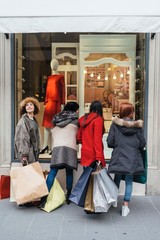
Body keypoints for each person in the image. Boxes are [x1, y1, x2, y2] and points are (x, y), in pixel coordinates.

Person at [107, 103, 146, 217]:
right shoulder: (138, 126)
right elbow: (142, 143)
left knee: (117, 178)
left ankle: (114, 200)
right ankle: (125, 206)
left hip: (119, 156)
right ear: (131, 113)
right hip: (132, 157)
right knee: (129, 181)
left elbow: (110, 142)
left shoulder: (115, 125)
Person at [40, 101, 79, 207]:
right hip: (70, 147)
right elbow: (78, 135)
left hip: (57, 147)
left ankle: (44, 198)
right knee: (69, 172)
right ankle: (68, 195)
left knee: (53, 172)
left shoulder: (56, 119)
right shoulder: (76, 120)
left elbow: (53, 132)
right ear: (75, 110)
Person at [40, 59, 65, 154]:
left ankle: (54, 147)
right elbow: (47, 91)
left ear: (57, 65)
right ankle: (45, 146)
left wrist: (62, 103)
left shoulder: (60, 77)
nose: (52, 65)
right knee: (46, 125)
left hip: (56, 102)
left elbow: (62, 90)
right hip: (49, 103)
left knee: (54, 126)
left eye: (54, 63)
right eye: (51, 63)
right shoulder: (50, 78)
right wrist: (45, 102)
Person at [77, 100, 106, 169]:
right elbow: (97, 140)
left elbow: (79, 137)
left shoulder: (84, 119)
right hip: (94, 154)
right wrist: (99, 157)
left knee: (86, 177)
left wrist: (86, 143)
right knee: (94, 178)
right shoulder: (98, 120)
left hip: (85, 152)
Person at [14, 97, 40, 166]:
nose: (29, 106)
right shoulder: (23, 121)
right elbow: (22, 139)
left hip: (33, 153)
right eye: (27, 105)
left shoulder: (33, 120)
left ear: (35, 107)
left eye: (31, 104)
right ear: (24, 108)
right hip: (27, 154)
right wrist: (24, 156)